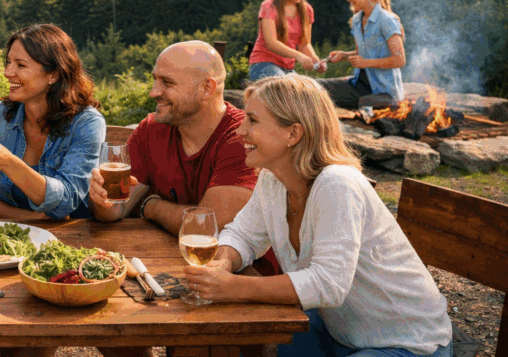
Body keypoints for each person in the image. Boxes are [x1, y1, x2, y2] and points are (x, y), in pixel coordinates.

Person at [185, 75, 452, 357]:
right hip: (339, 331)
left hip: (404, 342)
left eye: (252, 121)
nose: (239, 130)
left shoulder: (338, 184)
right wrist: (223, 263)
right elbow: (242, 234)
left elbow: (329, 284)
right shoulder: (273, 180)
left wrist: (236, 288)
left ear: (293, 133)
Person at [87, 41, 265, 357]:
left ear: (207, 88)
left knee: (195, 343)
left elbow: (208, 226)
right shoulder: (151, 129)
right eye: (155, 79)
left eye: (167, 83)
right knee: (109, 326)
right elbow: (116, 208)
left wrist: (150, 206)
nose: (154, 91)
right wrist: (102, 201)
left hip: (243, 279)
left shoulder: (241, 135)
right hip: (170, 269)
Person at [0, 24, 105, 220]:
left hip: (71, 240)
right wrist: (31, 219)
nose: (7, 72)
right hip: (9, 236)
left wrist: (9, 163)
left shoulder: (86, 123)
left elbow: (67, 199)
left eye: (20, 65)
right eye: (8, 62)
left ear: (53, 74)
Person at [317, 0, 406, 108]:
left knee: (365, 104)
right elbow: (362, 53)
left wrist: (366, 63)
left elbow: (399, 59)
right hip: (358, 86)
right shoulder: (357, 20)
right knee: (315, 87)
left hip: (385, 93)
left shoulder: (387, 20)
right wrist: (343, 55)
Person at [248, 0, 325, 82]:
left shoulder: (307, 10)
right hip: (263, 65)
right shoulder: (269, 6)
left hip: (287, 69)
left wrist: (316, 61)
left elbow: (304, 44)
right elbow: (271, 43)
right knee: (286, 86)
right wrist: (298, 56)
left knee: (307, 89)